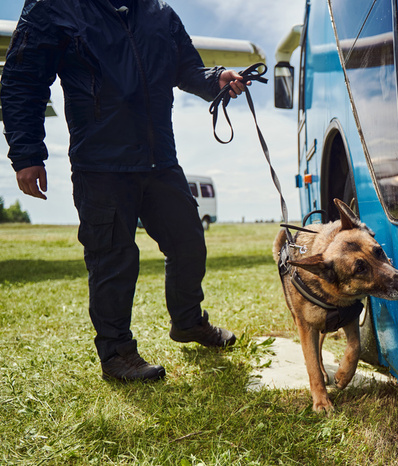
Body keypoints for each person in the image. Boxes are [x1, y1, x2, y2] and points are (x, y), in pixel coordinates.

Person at [1, 0, 249, 382]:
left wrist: (213, 78)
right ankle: (117, 353)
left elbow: (186, 67)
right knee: (113, 259)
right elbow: (22, 80)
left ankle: (188, 323)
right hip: (100, 164)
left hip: (159, 159)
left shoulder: (159, 13)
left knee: (188, 241)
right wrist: (27, 153)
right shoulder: (52, 8)